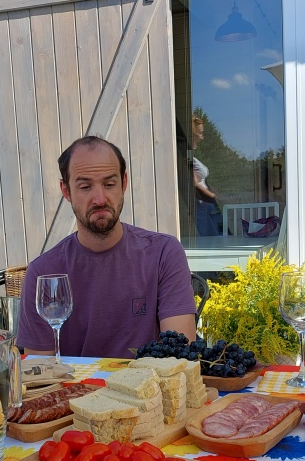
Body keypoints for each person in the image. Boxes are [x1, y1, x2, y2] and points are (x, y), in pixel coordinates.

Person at [17, 136, 197, 358]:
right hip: (75, 392)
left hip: (150, 390)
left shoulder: (163, 254)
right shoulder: (43, 274)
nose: (100, 199)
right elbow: (41, 375)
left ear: (124, 184)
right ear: (66, 191)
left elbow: (180, 355)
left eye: (109, 184)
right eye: (85, 187)